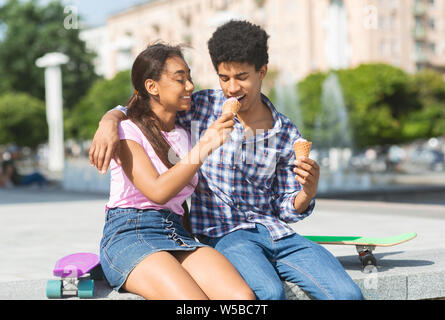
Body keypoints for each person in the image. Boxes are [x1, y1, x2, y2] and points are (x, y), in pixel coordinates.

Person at [90, 21, 363, 300]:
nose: (231, 88)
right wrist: (110, 119)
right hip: (196, 233)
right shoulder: (202, 109)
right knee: (260, 293)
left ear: (262, 73)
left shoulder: (283, 132)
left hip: (248, 231)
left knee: (343, 296)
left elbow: (285, 205)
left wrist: (306, 192)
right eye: (223, 78)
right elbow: (146, 107)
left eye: (241, 76)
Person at [97, 43, 255, 300]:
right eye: (180, 79)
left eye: (189, 77)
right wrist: (206, 145)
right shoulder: (127, 131)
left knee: (241, 298)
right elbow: (157, 191)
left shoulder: (183, 133)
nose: (190, 86)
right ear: (152, 87)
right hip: (131, 233)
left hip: (176, 232)